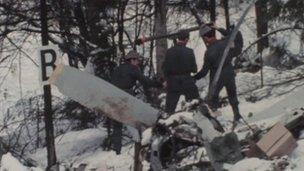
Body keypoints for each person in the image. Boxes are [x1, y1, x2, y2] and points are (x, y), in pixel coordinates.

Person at [110, 50, 162, 154]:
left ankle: (117, 150)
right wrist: (158, 84)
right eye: (137, 60)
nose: (138, 62)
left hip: (113, 95)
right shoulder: (133, 69)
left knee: (117, 124)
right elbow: (145, 81)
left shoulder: (117, 69)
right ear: (132, 60)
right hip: (126, 96)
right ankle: (140, 144)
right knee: (134, 120)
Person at [193, 24, 243, 122]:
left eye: (204, 38)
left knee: (212, 98)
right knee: (232, 94)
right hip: (229, 72)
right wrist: (219, 28)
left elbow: (204, 71)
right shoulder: (226, 42)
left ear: (206, 37)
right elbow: (236, 38)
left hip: (217, 76)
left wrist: (194, 77)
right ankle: (237, 115)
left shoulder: (209, 52)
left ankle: (214, 120)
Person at [162, 30, 200, 114]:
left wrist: (167, 79)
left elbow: (165, 68)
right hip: (187, 81)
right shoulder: (190, 52)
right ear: (186, 39)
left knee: (169, 109)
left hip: (173, 82)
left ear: (178, 38)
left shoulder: (169, 51)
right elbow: (194, 69)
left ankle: (167, 124)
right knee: (195, 105)